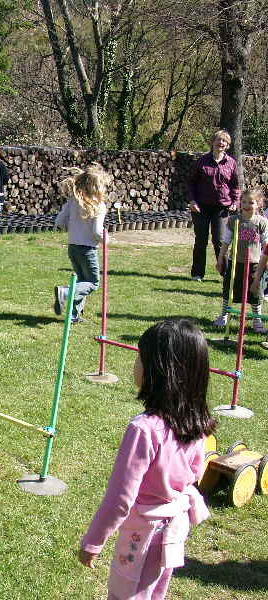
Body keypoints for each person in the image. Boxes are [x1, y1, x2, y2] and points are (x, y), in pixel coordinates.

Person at [79, 319, 216, 600]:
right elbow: (195, 473)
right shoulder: (198, 423)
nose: (135, 365)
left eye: (140, 358)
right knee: (155, 592)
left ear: (160, 371)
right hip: (173, 532)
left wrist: (93, 542)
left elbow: (120, 499)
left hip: (141, 534)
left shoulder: (144, 429)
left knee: (126, 593)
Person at [53, 164, 109, 323]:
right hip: (88, 249)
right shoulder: (99, 205)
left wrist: (71, 229)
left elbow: (59, 221)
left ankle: (74, 315)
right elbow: (96, 231)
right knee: (92, 283)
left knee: (82, 281)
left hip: (73, 247)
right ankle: (65, 293)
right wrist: (105, 239)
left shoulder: (73, 201)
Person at [188, 129, 241, 281]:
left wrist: (235, 201)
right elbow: (191, 183)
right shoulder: (201, 161)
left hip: (221, 209)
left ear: (227, 145)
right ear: (213, 142)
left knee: (219, 241)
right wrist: (192, 201)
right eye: (218, 139)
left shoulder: (231, 163)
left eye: (224, 141)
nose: (221, 143)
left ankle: (225, 274)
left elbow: (235, 186)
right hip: (201, 207)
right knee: (201, 241)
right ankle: (197, 274)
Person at [213, 189, 268, 332]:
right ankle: (224, 315)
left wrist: (265, 262)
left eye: (251, 202)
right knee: (229, 289)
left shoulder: (261, 222)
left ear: (258, 204)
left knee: (255, 292)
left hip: (255, 264)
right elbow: (226, 241)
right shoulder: (233, 220)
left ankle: (257, 320)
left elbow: (265, 244)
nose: (247, 205)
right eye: (244, 202)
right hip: (235, 262)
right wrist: (220, 259)